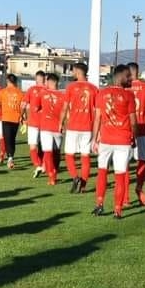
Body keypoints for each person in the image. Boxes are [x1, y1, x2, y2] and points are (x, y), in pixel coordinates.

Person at [91, 64, 137, 218]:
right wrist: (134, 138)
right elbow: (133, 121)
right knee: (120, 175)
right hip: (123, 141)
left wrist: (94, 139)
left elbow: (97, 117)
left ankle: (99, 204)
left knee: (102, 172)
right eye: (128, 76)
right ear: (121, 77)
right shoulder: (129, 96)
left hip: (106, 139)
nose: (130, 78)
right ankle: (117, 209)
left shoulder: (102, 94)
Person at [63, 62, 98, 193]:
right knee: (85, 157)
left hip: (73, 126)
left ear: (77, 71)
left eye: (73, 71)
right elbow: (97, 110)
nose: (72, 73)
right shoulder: (94, 88)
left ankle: (75, 177)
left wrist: (61, 123)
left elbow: (65, 107)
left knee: (69, 155)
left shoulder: (71, 87)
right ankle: (83, 187)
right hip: (88, 127)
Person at [128, 62, 145, 205]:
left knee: (124, 162)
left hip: (126, 129)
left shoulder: (124, 88)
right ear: (138, 72)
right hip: (143, 129)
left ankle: (124, 197)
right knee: (142, 160)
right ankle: (139, 188)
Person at [38, 73, 66, 185]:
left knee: (48, 152)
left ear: (49, 82)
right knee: (56, 152)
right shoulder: (63, 96)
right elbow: (66, 112)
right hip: (58, 127)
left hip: (45, 126)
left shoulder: (42, 93)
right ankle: (55, 172)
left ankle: (52, 176)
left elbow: (36, 108)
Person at [0, 74, 25, 169]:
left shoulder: (2, 92)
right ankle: (11, 157)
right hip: (16, 119)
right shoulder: (20, 93)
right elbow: (22, 106)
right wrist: (23, 117)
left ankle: (10, 158)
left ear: (7, 81)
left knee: (7, 140)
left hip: (6, 118)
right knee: (12, 139)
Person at [22, 71, 47, 173]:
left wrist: (23, 117)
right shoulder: (47, 90)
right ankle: (44, 165)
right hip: (46, 123)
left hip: (33, 122)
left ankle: (38, 165)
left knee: (33, 146)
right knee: (45, 147)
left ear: (36, 79)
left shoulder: (31, 90)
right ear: (44, 79)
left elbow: (23, 105)